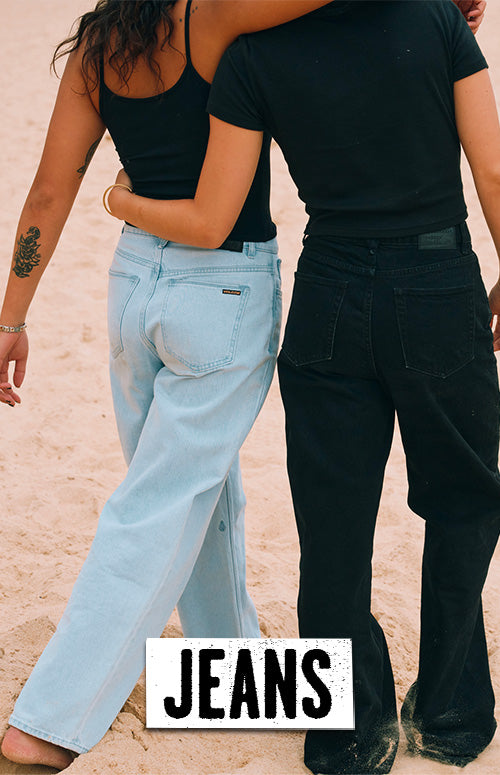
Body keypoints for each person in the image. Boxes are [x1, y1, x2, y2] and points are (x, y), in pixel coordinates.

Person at [101, 0, 499, 773]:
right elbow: (491, 170)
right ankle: (452, 715)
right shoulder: (437, 21)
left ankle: (348, 731)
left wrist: (120, 199)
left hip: (331, 290)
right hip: (439, 281)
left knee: (332, 522)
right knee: (464, 500)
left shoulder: (253, 54)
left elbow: (214, 214)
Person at [0, 0, 355, 769]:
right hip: (220, 289)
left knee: (197, 487)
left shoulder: (97, 46)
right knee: (157, 505)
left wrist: (10, 320)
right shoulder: (214, 16)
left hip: (134, 284)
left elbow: (48, 193)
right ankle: (47, 721)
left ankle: (230, 658)